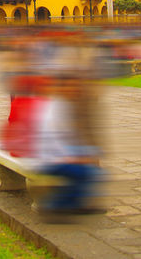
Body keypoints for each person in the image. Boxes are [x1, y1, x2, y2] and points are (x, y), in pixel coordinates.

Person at [32, 74, 102, 219]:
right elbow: (53, 142)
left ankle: (79, 202)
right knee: (88, 172)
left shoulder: (63, 104)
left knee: (93, 159)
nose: (75, 89)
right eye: (71, 86)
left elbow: (70, 136)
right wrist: (74, 158)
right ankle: (54, 205)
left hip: (60, 152)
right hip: (51, 158)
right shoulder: (54, 109)